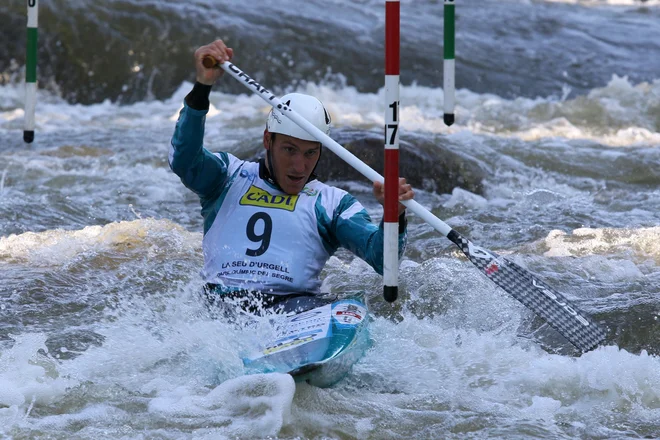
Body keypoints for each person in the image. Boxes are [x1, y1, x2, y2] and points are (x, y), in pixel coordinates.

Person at [169, 40, 414, 314]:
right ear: (267, 140)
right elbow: (184, 158)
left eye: (310, 153)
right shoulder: (227, 177)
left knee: (350, 309)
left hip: (293, 309)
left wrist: (395, 216)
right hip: (222, 305)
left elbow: (382, 261)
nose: (300, 165)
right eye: (289, 150)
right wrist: (203, 87)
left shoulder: (333, 204)